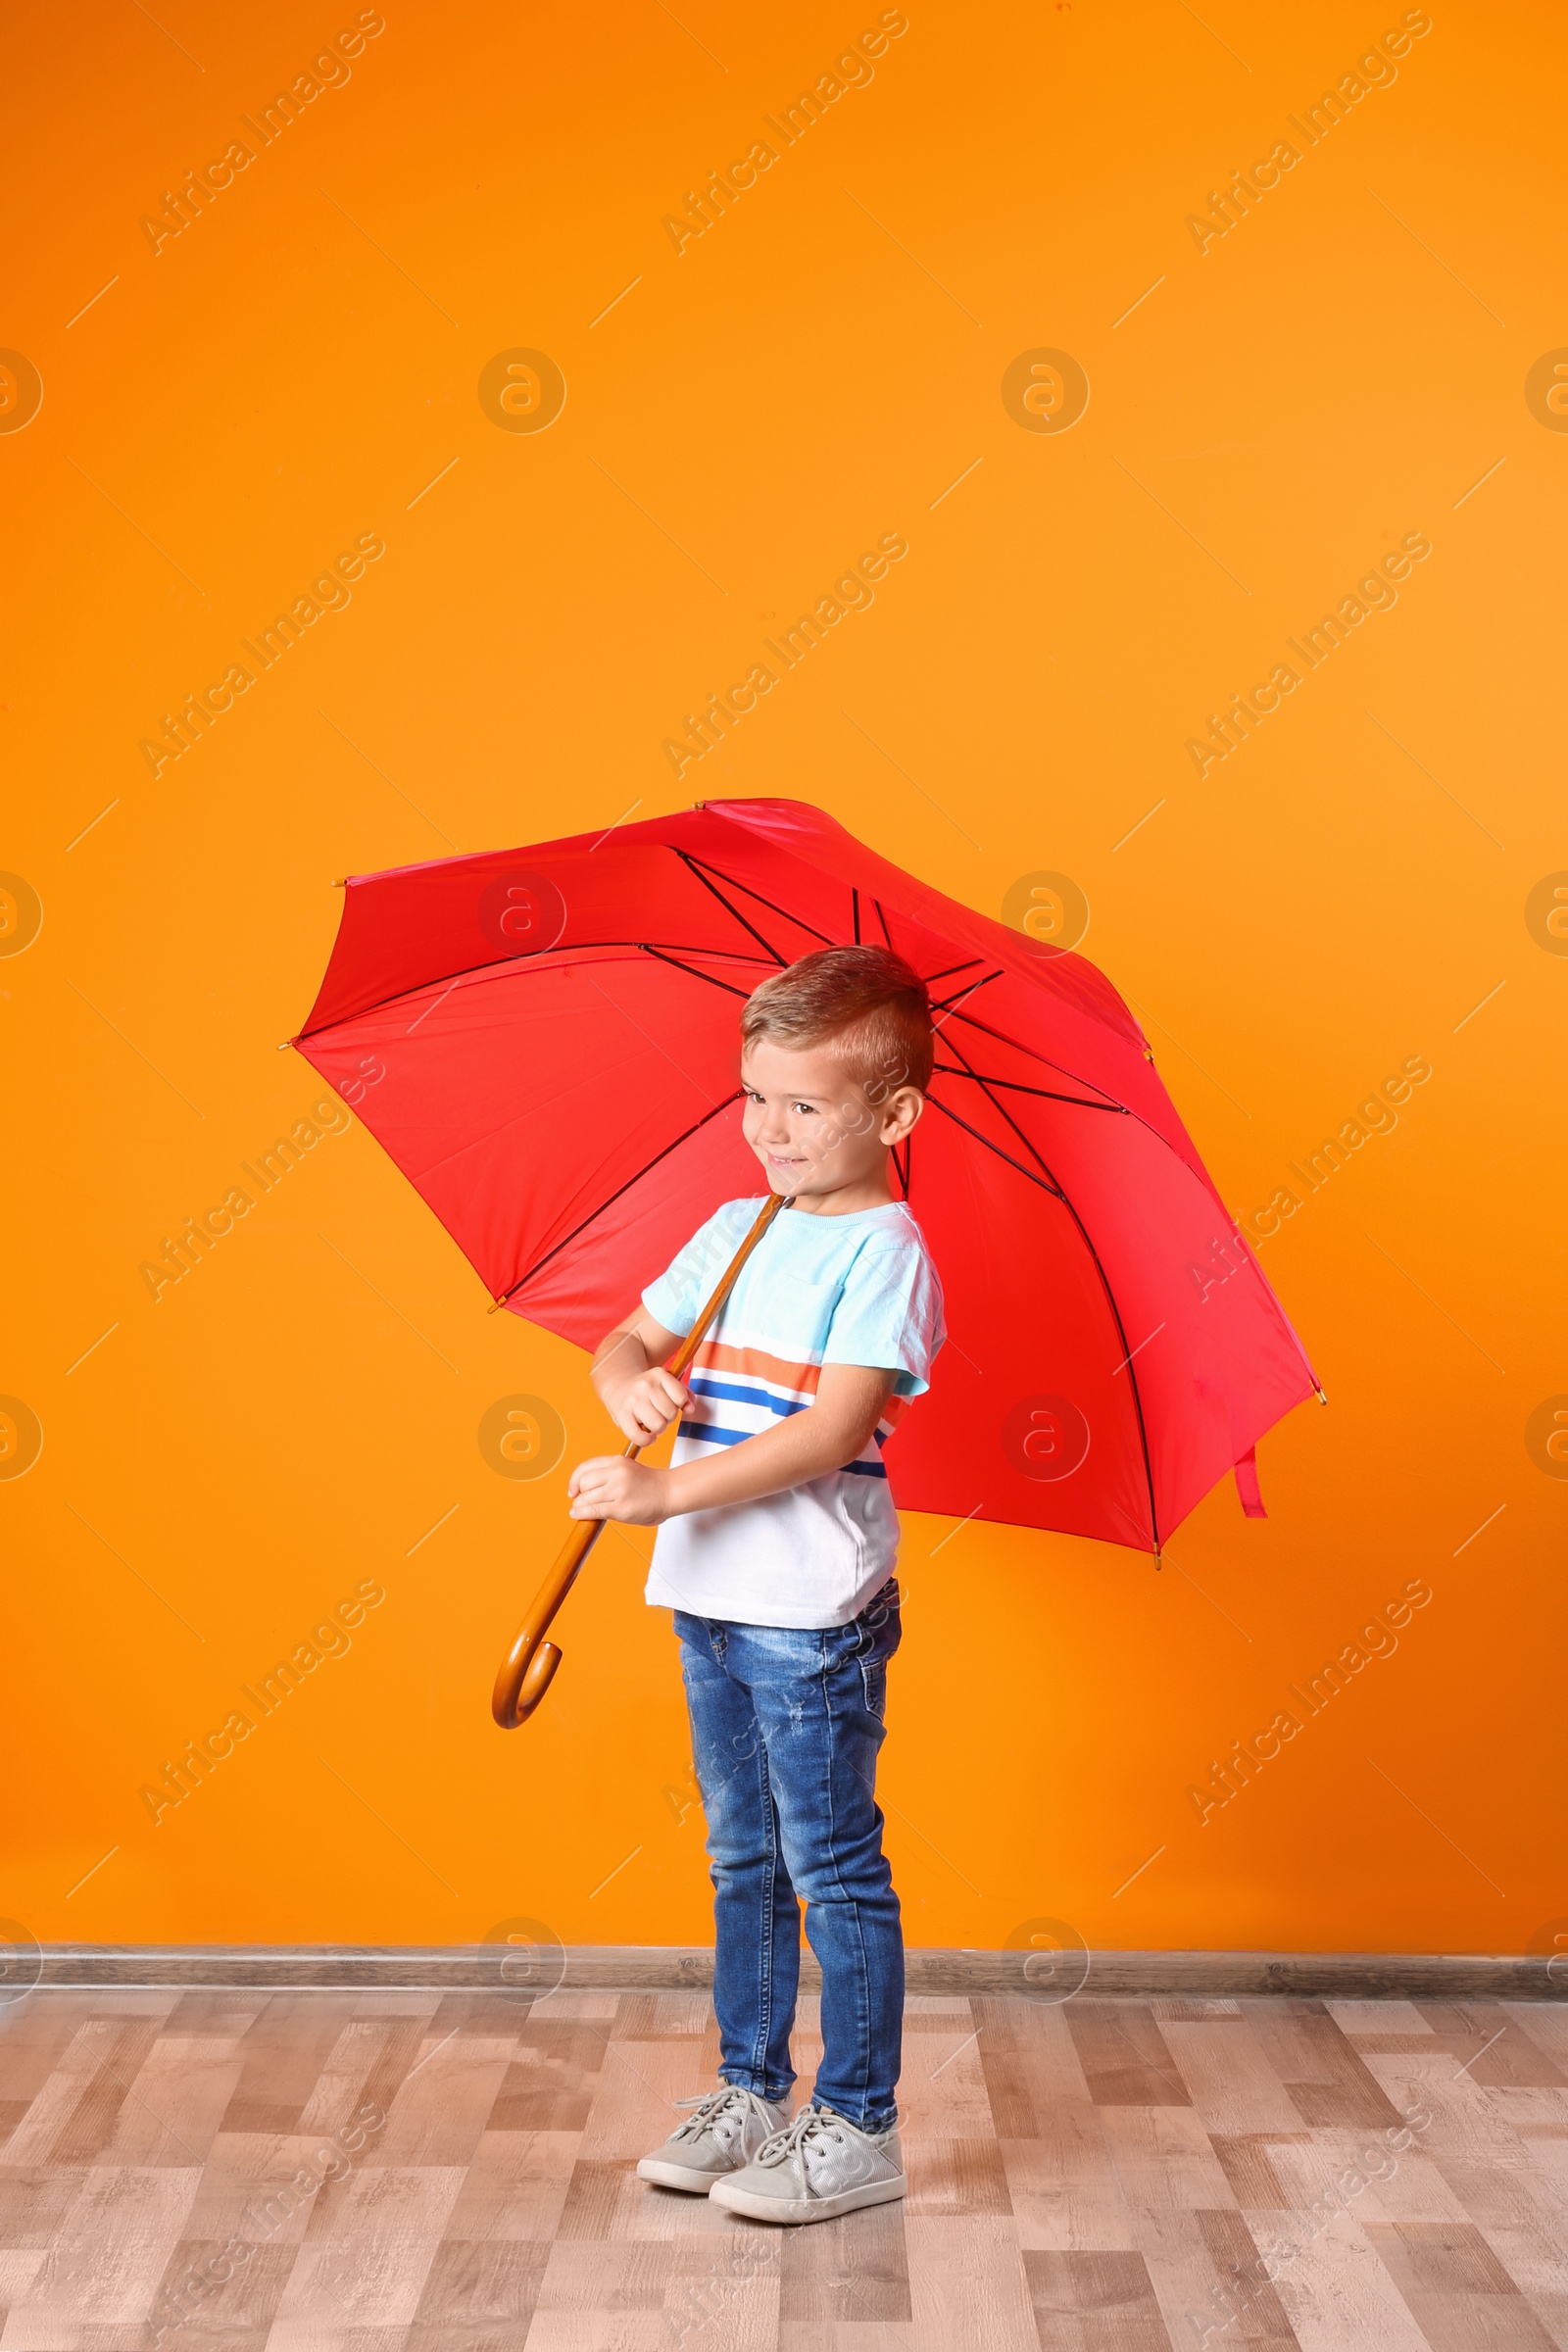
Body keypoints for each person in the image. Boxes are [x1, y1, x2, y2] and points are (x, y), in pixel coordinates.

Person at [565, 944, 945, 2226]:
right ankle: (750, 2094)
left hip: (811, 1619)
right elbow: (627, 1339)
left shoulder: (885, 1255)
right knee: (742, 1856)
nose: (767, 1131)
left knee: (828, 1860)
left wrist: (664, 1489)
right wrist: (629, 1384)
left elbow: (835, 1432)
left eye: (804, 1106)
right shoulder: (739, 1230)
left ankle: (860, 2122)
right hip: (713, 1599)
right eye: (754, 1097)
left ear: (892, 1116)